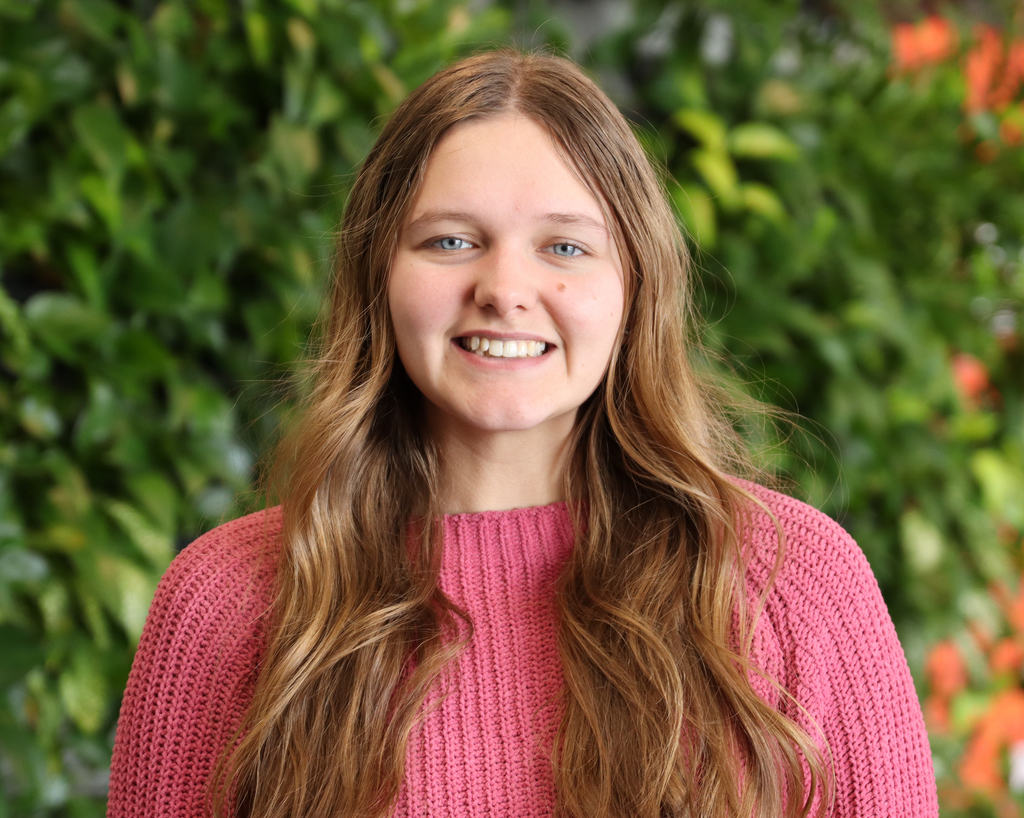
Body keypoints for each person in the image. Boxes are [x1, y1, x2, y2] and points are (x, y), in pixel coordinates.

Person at [106, 49, 938, 818]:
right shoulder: (227, 603)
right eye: (452, 240)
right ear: (378, 279)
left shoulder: (795, 588)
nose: (505, 288)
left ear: (634, 288)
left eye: (565, 246)